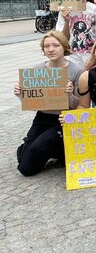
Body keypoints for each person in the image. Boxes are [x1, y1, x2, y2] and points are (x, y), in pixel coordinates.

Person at [14, 31, 82, 176]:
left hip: (64, 119)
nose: (51, 49)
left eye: (55, 45)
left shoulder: (77, 71)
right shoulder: (38, 69)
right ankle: (48, 150)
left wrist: (69, 94)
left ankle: (61, 152)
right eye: (46, 46)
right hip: (43, 117)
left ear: (64, 47)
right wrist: (20, 94)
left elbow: (81, 106)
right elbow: (34, 105)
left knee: (36, 151)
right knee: (24, 165)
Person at [56, 0, 96, 68]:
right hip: (73, 55)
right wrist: (66, 21)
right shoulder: (64, 10)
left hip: (91, 53)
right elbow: (62, 38)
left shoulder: (93, 8)